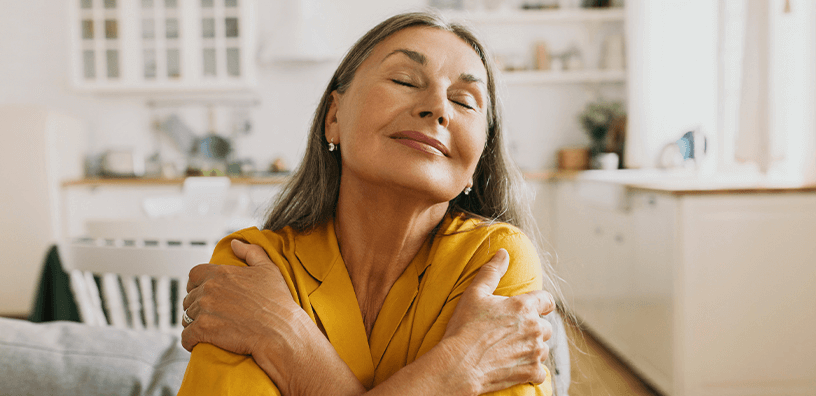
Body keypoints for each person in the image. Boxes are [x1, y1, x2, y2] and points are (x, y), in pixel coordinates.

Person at [177, 11, 566, 396]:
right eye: (404, 80)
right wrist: (458, 371)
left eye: (465, 102)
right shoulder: (249, 263)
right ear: (333, 116)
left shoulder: (495, 260)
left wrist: (283, 335)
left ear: (479, 158)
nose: (439, 108)